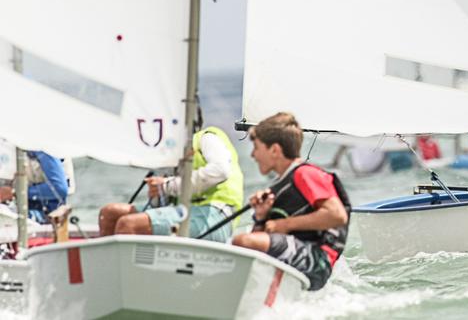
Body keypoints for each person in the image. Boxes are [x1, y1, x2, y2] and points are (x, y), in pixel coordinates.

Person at [231, 113, 350, 291]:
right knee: (242, 245)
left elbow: (337, 215)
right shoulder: (280, 184)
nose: (253, 155)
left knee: (242, 242)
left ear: (274, 150)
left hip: (318, 260)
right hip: (300, 253)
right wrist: (261, 217)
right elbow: (261, 240)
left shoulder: (305, 174)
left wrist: (284, 224)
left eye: (256, 147)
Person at [98, 125, 244, 243]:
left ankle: (129, 278)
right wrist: (157, 193)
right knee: (110, 213)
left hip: (216, 217)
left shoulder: (207, 137)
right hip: (182, 212)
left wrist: (168, 186)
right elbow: (160, 206)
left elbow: (221, 170)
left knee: (129, 225)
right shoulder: (167, 152)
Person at [0, 151, 69, 223]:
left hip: (43, 218)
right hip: (12, 211)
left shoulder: (43, 151)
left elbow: (60, 189)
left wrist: (14, 192)